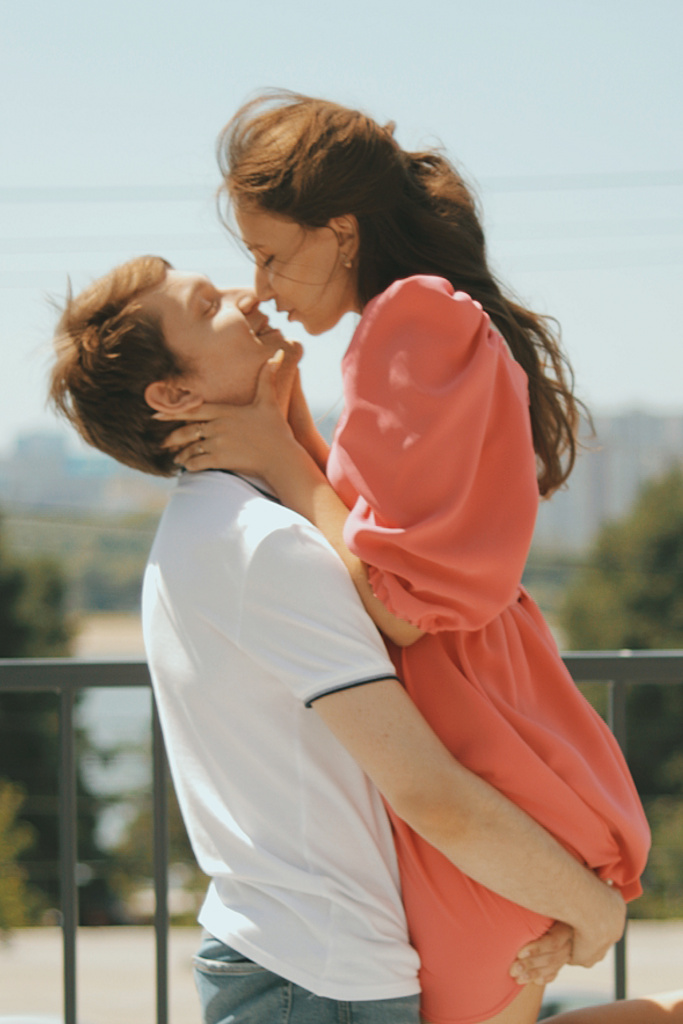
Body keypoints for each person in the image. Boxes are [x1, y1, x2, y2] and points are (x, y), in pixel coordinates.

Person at [153, 92, 659, 1024]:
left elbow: (396, 605)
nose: (258, 287)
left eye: (268, 255)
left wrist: (277, 454)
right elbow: (375, 537)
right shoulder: (411, 321)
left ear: (340, 233)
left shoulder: (409, 320)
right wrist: (287, 433)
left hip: (467, 733)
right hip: (463, 723)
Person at [48, 255, 640, 1024]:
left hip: (301, 967)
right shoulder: (260, 544)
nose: (248, 294)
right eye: (206, 306)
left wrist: (284, 431)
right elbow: (430, 792)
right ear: (174, 394)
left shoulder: (218, 523)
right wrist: (594, 910)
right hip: (320, 982)